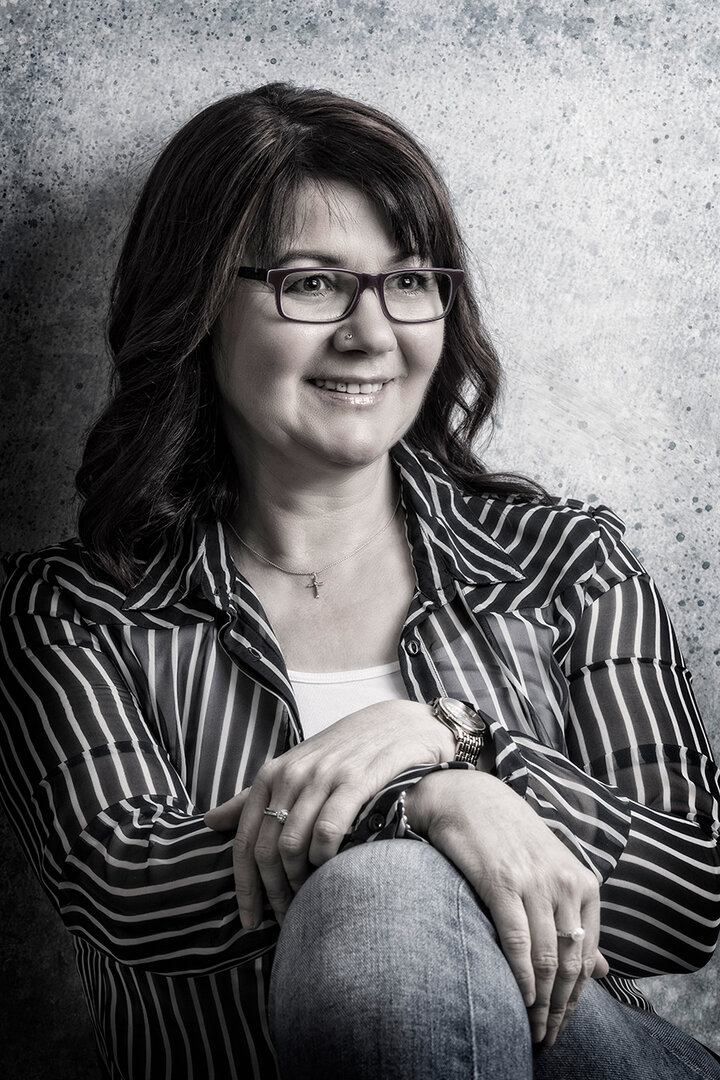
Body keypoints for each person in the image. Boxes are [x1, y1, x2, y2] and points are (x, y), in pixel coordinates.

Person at [0, 82, 719, 1080]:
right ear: (197, 304)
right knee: (380, 894)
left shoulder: (565, 564)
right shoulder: (74, 611)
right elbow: (127, 886)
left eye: (410, 280)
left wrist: (461, 744)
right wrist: (425, 804)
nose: (373, 334)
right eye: (312, 284)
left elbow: (687, 900)